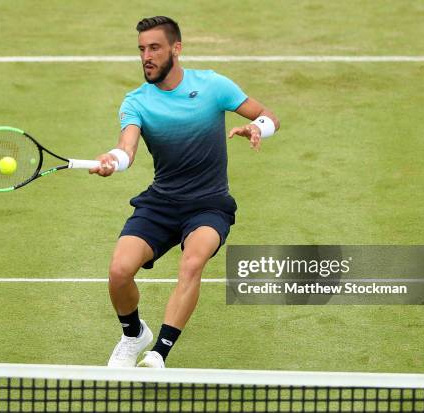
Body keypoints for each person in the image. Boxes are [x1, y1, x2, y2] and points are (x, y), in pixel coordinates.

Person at [90, 16, 280, 368]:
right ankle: (134, 335)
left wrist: (258, 127)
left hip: (209, 205)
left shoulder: (212, 85)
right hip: (161, 203)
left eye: (154, 48)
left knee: (192, 262)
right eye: (142, 49)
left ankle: (158, 354)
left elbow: (268, 115)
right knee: (119, 271)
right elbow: (126, 148)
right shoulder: (136, 101)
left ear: (176, 49)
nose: (146, 56)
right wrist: (112, 160)